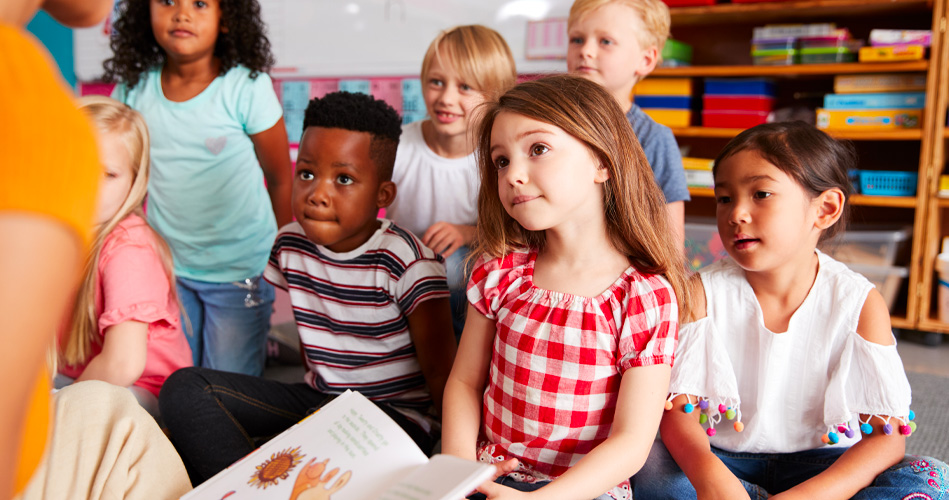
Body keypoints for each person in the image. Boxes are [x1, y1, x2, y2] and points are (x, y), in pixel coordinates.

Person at [633, 121, 949, 499]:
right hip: (725, 462)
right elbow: (678, 417)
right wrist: (711, 480)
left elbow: (886, 439)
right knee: (650, 466)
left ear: (825, 209)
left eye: (761, 194)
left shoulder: (860, 302)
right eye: (724, 198)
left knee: (932, 477)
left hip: (825, 467)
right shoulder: (700, 292)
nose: (737, 214)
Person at [159, 91, 457, 485]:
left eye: (344, 179)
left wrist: (450, 461)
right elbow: (311, 338)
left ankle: (268, 481)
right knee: (186, 389)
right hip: (323, 405)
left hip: (394, 417)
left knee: (330, 463)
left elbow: (441, 371)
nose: (317, 193)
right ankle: (256, 490)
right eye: (307, 173)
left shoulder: (408, 262)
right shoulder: (289, 244)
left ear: (382, 196)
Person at [441, 74, 690, 500]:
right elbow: (464, 383)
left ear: (601, 161)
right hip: (488, 474)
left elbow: (631, 441)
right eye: (501, 161)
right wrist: (460, 474)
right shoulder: (497, 270)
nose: (514, 175)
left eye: (537, 149)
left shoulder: (643, 295)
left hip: (581, 491)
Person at [105, 0, 293, 376]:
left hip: (241, 269)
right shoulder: (133, 89)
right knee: (179, 379)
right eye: (167, 1)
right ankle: (261, 343)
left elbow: (280, 177)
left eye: (200, 3)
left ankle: (260, 342)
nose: (182, 13)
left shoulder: (246, 87)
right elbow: (116, 171)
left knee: (225, 387)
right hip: (169, 270)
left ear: (227, 19)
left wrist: (284, 249)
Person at [55, 96, 193, 419]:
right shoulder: (63, 234)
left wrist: (57, 409)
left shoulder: (129, 249)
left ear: (135, 182)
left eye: (108, 174)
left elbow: (123, 364)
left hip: (143, 396)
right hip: (84, 377)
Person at [387, 25, 517, 338]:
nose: (446, 98)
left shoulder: (499, 155)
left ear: (493, 95)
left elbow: (517, 234)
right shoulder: (398, 144)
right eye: (436, 82)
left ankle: (455, 356)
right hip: (402, 264)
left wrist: (466, 233)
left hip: (465, 269)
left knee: (452, 266)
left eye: (465, 87)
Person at [567, 0, 689, 250]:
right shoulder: (550, 123)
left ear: (645, 60)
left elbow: (672, 243)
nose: (586, 51)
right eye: (577, 39)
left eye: (606, 42)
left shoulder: (654, 137)